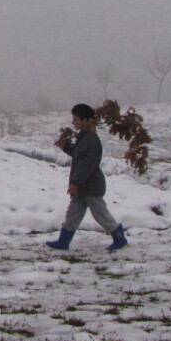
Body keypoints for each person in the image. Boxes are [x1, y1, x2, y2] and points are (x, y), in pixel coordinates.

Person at [46, 103, 128, 251]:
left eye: (76, 119)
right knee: (73, 214)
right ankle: (63, 241)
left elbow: (86, 165)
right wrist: (66, 147)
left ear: (85, 120)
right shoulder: (83, 137)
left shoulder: (91, 140)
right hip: (82, 188)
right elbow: (78, 154)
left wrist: (75, 183)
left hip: (91, 187)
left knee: (101, 214)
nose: (73, 122)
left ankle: (119, 237)